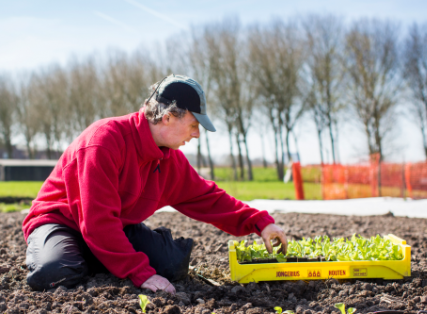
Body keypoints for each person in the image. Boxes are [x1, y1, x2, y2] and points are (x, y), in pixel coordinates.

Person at [22, 74, 287, 294]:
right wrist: (139, 273)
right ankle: (90, 255)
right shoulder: (104, 142)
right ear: (168, 116)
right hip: (60, 221)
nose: (196, 134)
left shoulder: (169, 159)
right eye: (194, 125)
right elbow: (96, 220)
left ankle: (101, 254)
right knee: (56, 274)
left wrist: (259, 222)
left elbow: (208, 197)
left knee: (172, 266)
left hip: (114, 226)